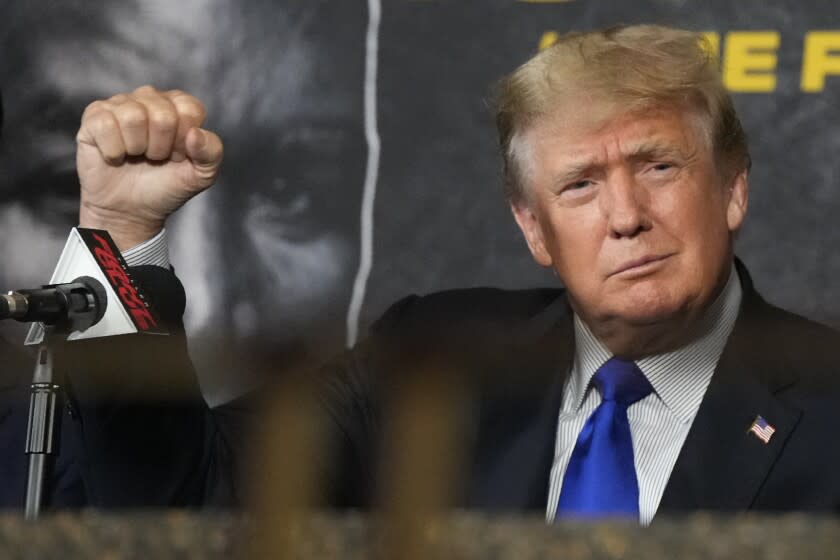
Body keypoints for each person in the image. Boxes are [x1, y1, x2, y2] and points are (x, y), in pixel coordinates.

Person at [76, 24, 840, 522]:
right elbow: (187, 504)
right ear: (533, 228)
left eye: (659, 166)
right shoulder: (430, 361)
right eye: (580, 184)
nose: (626, 215)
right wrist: (121, 235)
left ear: (733, 187)